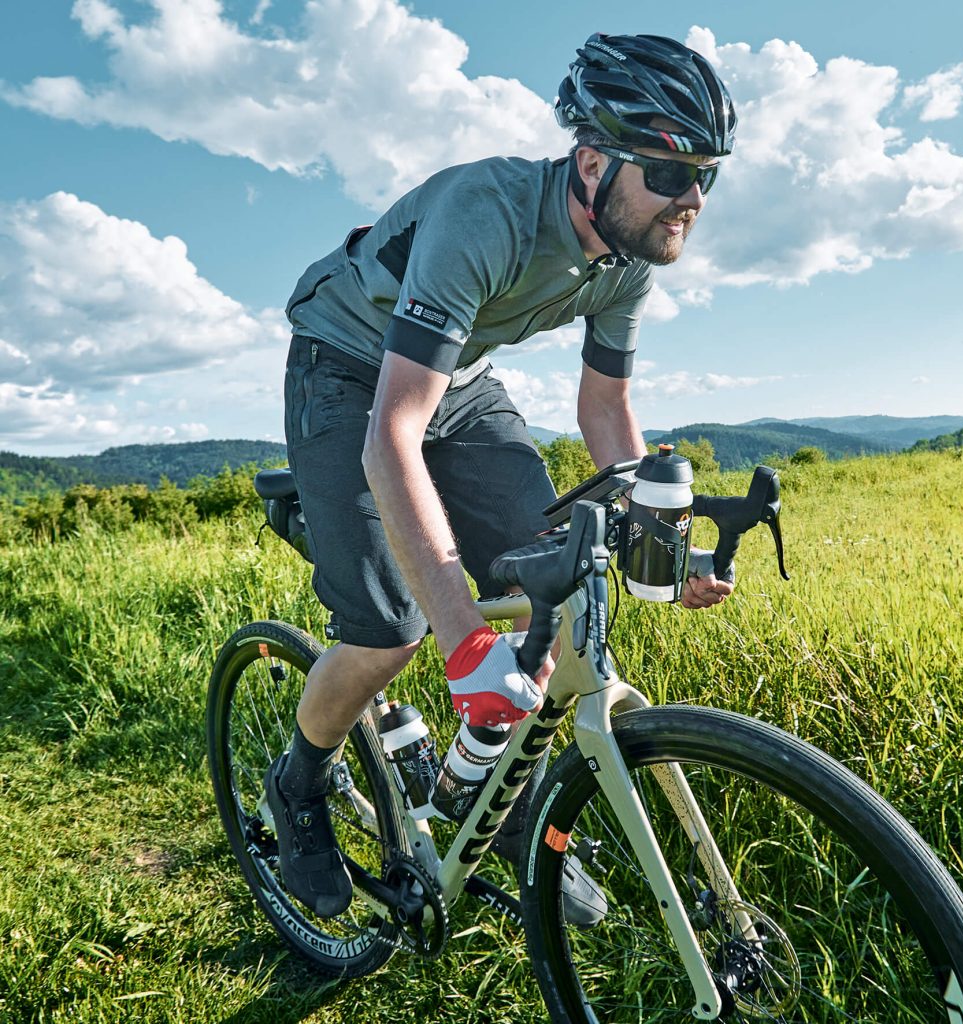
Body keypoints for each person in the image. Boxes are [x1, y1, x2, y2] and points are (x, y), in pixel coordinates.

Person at [266, 32, 738, 924]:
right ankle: (299, 781)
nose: (693, 201)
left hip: (462, 382)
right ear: (593, 161)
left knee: (548, 571)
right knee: (390, 632)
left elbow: (605, 410)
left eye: (706, 176)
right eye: (673, 175)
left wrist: (664, 551)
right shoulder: (485, 215)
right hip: (347, 366)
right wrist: (458, 639)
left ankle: (498, 806)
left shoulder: (628, 260)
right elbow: (390, 432)